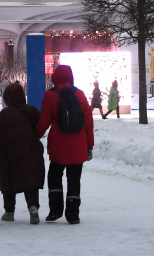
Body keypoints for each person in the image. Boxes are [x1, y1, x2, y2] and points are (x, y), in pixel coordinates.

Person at [35, 65, 94, 224]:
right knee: (74, 179)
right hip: (78, 145)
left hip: (59, 145)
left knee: (54, 177)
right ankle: (73, 214)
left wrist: (35, 135)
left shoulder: (50, 95)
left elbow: (45, 120)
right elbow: (88, 123)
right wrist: (90, 145)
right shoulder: (80, 95)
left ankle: (55, 210)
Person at [0, 83, 43, 224]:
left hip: (9, 157)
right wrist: (34, 138)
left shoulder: (2, 116)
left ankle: (9, 212)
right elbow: (41, 126)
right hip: (30, 155)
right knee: (30, 181)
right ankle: (33, 208)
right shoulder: (31, 111)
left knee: (8, 181)